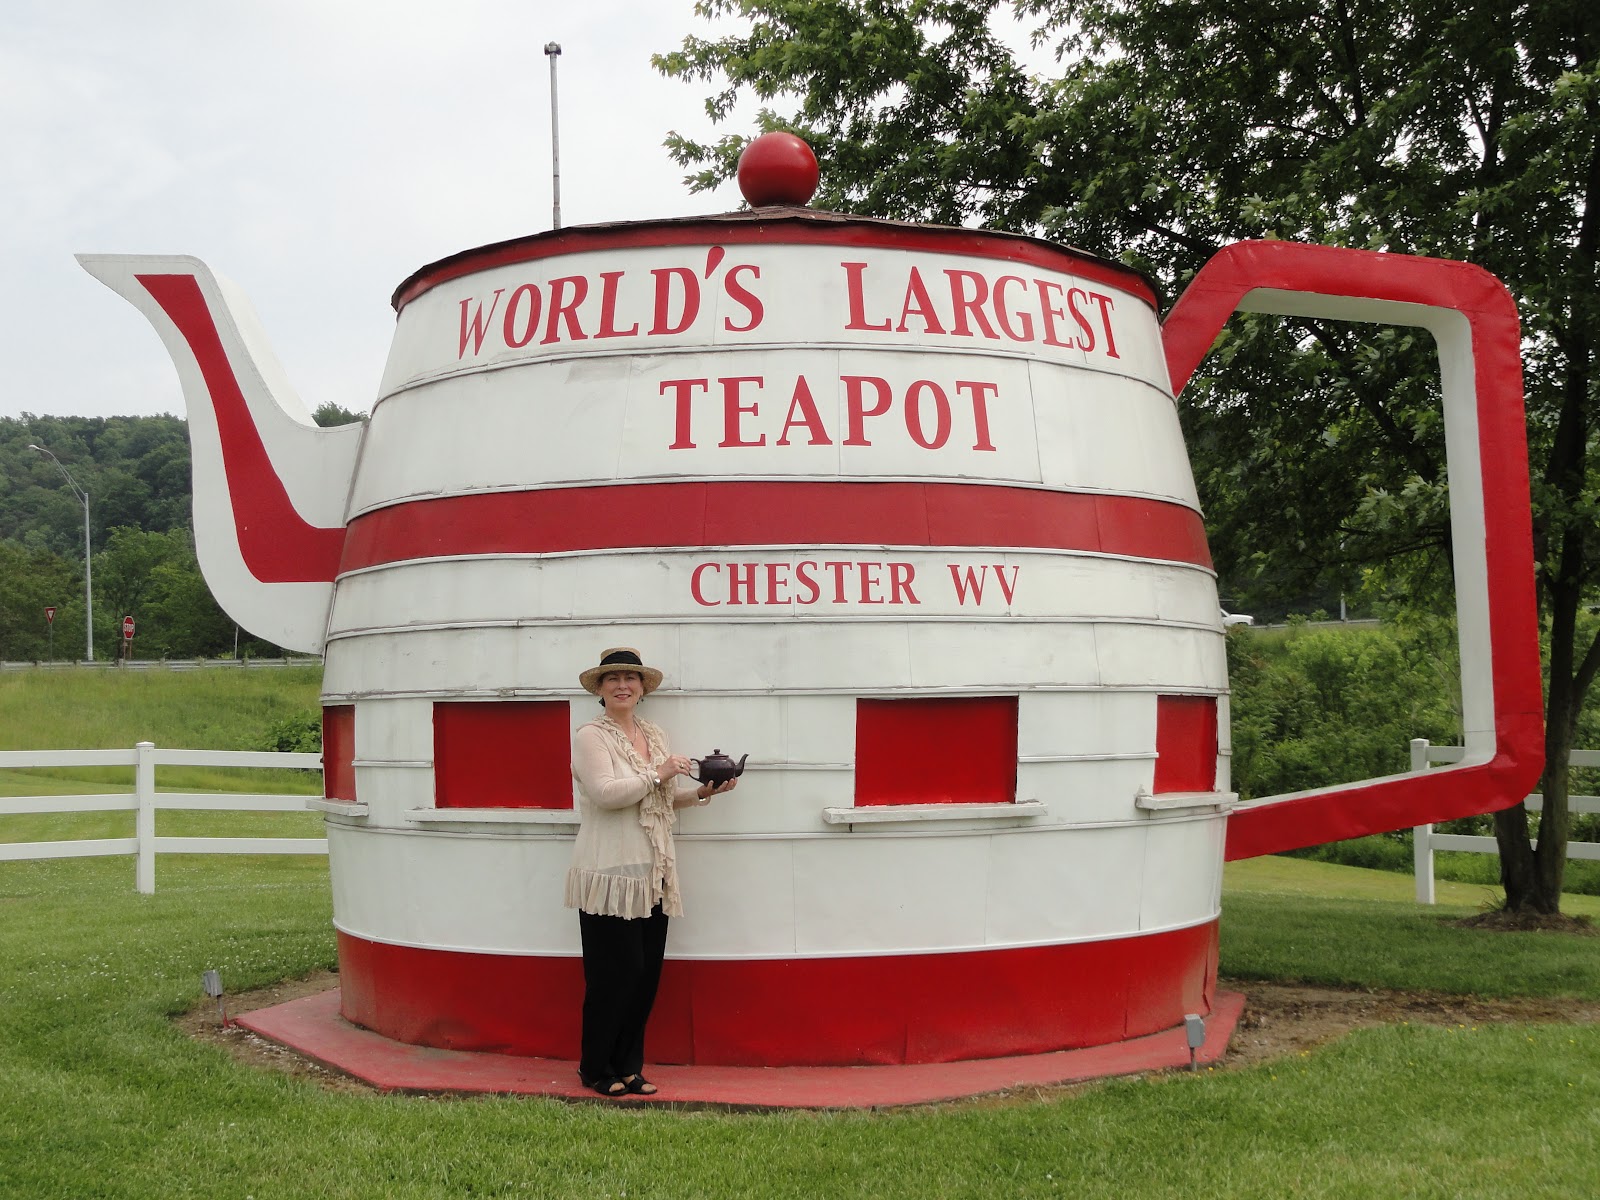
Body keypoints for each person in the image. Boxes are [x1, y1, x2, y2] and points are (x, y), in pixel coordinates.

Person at [566, 646, 737, 1098]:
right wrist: (660, 773)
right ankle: (595, 1067)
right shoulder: (591, 737)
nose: (623, 685)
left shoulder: (653, 733)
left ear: (642, 689)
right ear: (600, 691)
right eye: (613, 679)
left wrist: (703, 794)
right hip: (609, 873)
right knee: (612, 976)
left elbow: (657, 797)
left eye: (631, 678)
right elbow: (606, 793)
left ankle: (628, 1066)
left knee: (644, 974)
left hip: (653, 873)